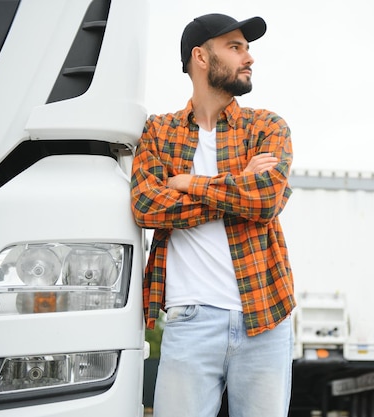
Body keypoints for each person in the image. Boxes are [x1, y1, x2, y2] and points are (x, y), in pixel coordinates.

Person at [130, 13, 295, 417]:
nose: (248, 57)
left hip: (266, 317)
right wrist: (237, 184)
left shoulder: (266, 126)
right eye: (235, 47)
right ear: (201, 57)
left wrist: (188, 183)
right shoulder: (158, 131)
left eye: (247, 48)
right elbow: (146, 206)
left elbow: (266, 199)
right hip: (189, 320)